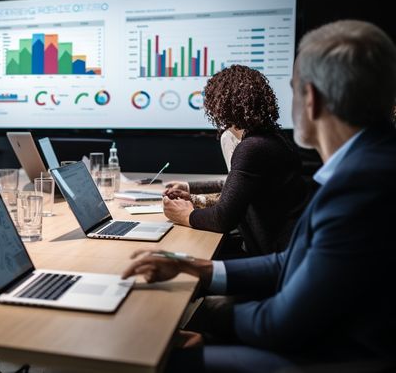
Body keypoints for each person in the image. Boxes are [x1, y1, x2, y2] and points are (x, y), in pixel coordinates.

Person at [123, 20, 396, 372]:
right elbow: (289, 264)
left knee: (149, 352)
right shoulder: (368, 165)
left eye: (293, 89)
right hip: (334, 335)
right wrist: (195, 268)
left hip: (337, 356)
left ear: (310, 98)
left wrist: (201, 322)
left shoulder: (361, 186)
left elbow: (283, 325)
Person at [163, 65, 308, 256]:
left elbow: (222, 219)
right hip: (289, 251)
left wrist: (185, 214)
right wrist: (191, 189)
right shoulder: (274, 139)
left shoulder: (251, 147)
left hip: (274, 261)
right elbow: (237, 186)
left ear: (219, 106)